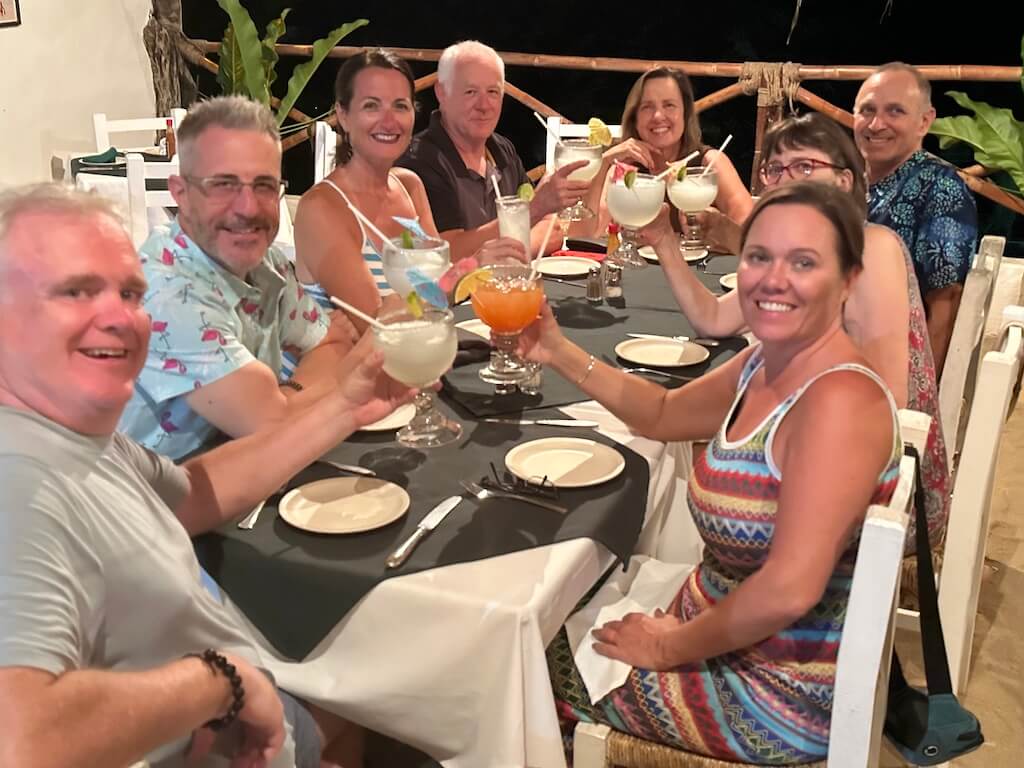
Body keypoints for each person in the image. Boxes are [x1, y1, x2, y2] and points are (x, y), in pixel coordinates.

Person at [0, 183, 417, 767]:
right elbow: (21, 741)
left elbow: (192, 494)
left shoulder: (75, 436)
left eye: (131, 293)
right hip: (223, 728)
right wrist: (219, 683)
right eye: (76, 291)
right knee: (408, 683)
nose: (121, 318)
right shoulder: (20, 483)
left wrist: (344, 407)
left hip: (249, 700)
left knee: (382, 686)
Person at [527, 183, 901, 763]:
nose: (773, 279)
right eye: (759, 257)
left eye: (803, 262)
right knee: (549, 613)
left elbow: (789, 588)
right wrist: (556, 349)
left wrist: (668, 647)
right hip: (724, 627)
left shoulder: (838, 402)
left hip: (777, 691)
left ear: (849, 279)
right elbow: (662, 414)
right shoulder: (766, 362)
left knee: (522, 668)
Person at [647, 113, 948, 547]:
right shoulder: (807, 254)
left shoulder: (872, 247)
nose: (786, 180)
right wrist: (664, 241)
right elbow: (712, 319)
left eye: (804, 166)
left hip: (880, 496)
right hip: (832, 459)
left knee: (696, 463)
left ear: (844, 180)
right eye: (775, 169)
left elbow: (888, 400)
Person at [118, 96, 360, 461]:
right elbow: (274, 432)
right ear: (181, 194)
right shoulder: (167, 293)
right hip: (153, 491)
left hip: (240, 470)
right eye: (223, 185)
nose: (248, 208)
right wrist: (288, 402)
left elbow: (333, 344)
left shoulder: (267, 264)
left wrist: (285, 398)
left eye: (264, 185)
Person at [294, 48, 525, 325]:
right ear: (343, 115)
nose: (389, 121)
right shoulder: (322, 208)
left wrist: (472, 267)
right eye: (371, 106)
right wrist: (470, 267)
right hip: (362, 352)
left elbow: (440, 291)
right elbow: (377, 323)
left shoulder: (409, 185)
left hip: (426, 343)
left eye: (400, 106)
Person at [397, 40, 589, 261]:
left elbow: (552, 231)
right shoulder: (419, 160)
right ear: (442, 92)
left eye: (493, 92)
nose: (484, 105)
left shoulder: (502, 149)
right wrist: (533, 212)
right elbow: (445, 254)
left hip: (510, 280)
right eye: (470, 92)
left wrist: (505, 252)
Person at [854, 62, 978, 372]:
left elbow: (946, 303)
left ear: (924, 122)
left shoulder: (941, 188)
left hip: (888, 370)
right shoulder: (850, 183)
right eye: (867, 110)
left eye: (895, 111)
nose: (876, 125)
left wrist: (920, 395)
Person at [580, 67, 753, 237]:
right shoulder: (624, 169)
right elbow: (587, 233)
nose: (658, 116)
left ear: (685, 114)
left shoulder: (709, 164)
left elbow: (752, 231)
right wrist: (604, 161)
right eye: (647, 107)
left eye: (669, 105)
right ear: (635, 118)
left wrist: (716, 226)